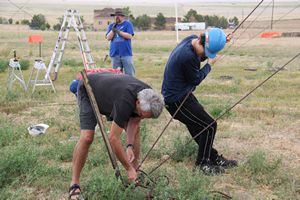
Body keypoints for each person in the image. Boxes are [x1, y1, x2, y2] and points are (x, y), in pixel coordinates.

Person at [69, 72, 164, 199]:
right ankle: (74, 183)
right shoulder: (125, 101)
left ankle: (135, 173)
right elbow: (113, 139)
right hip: (89, 89)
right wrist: (126, 167)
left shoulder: (148, 95)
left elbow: (134, 121)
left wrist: (129, 146)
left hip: (111, 94)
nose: (141, 117)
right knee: (87, 137)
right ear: (137, 103)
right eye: (141, 114)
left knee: (136, 132)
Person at [161, 28, 237, 175]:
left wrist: (221, 41)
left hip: (181, 95)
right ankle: (202, 164)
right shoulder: (187, 57)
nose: (205, 56)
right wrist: (209, 65)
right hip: (176, 101)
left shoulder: (192, 39)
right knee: (209, 126)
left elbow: (203, 50)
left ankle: (212, 158)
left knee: (200, 127)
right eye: (206, 53)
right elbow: (196, 79)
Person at [106, 8, 135, 76]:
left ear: (122, 16)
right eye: (115, 15)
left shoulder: (127, 24)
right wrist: (113, 30)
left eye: (118, 15)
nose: (117, 17)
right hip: (114, 54)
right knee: (116, 75)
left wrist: (119, 32)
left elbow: (129, 36)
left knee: (129, 74)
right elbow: (108, 38)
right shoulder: (111, 25)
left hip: (126, 54)